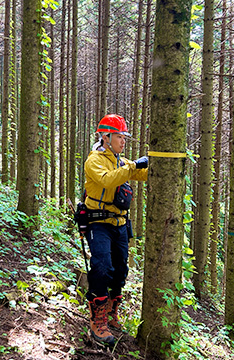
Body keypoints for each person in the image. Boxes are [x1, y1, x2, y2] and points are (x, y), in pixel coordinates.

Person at [83, 114, 148, 345]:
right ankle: (97, 320)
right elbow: (108, 180)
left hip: (120, 224)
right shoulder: (95, 160)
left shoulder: (121, 161)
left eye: (124, 137)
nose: (123, 141)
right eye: (119, 136)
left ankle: (112, 311)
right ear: (105, 137)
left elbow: (142, 174)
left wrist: (153, 163)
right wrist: (133, 165)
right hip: (98, 222)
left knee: (120, 270)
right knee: (102, 267)